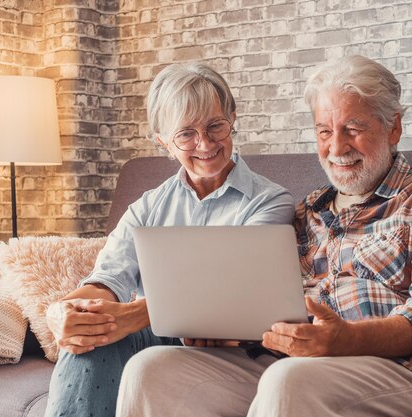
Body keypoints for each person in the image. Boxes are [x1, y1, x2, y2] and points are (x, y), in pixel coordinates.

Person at [115, 55, 412, 417]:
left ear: (393, 127)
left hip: (407, 368)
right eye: (324, 131)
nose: (336, 148)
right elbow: (268, 303)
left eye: (353, 129)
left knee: (288, 379)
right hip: (301, 362)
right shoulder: (308, 211)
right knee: (152, 369)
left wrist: (347, 339)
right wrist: (223, 331)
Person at [43, 62, 295, 417]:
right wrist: (63, 311)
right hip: (157, 340)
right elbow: (106, 281)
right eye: (186, 134)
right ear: (163, 142)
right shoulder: (147, 207)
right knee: (87, 338)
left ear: (233, 120)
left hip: (235, 349)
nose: (205, 143)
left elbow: (234, 292)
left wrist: (139, 314)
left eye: (215, 126)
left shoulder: (271, 201)